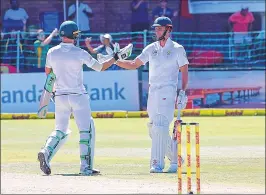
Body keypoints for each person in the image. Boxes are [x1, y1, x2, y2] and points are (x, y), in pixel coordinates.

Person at [37, 21, 132, 176]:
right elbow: (100, 67)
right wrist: (115, 57)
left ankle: (45, 152)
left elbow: (48, 73)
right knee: (86, 130)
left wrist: (53, 91)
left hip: (60, 96)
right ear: (74, 35)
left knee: (60, 129)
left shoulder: (51, 52)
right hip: (78, 96)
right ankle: (85, 167)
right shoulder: (79, 52)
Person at [114, 16, 189, 173]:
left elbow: (184, 71)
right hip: (153, 90)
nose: (156, 31)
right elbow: (135, 64)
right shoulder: (151, 48)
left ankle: (157, 164)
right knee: (152, 127)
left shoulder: (177, 49)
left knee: (161, 124)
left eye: (160, 28)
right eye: (155, 28)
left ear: (169, 30)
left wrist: (183, 92)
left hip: (168, 89)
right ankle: (176, 158)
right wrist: (116, 61)